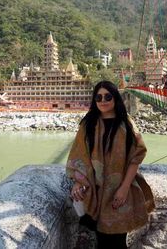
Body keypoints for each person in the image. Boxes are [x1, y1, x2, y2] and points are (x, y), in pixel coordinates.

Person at [66, 80, 154, 248]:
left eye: (107, 96)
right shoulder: (88, 125)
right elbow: (79, 156)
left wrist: (123, 189)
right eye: (98, 97)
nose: (103, 101)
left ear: (115, 98)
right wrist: (79, 180)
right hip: (96, 192)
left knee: (118, 241)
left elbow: (136, 156)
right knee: (102, 240)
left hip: (119, 191)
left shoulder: (126, 124)